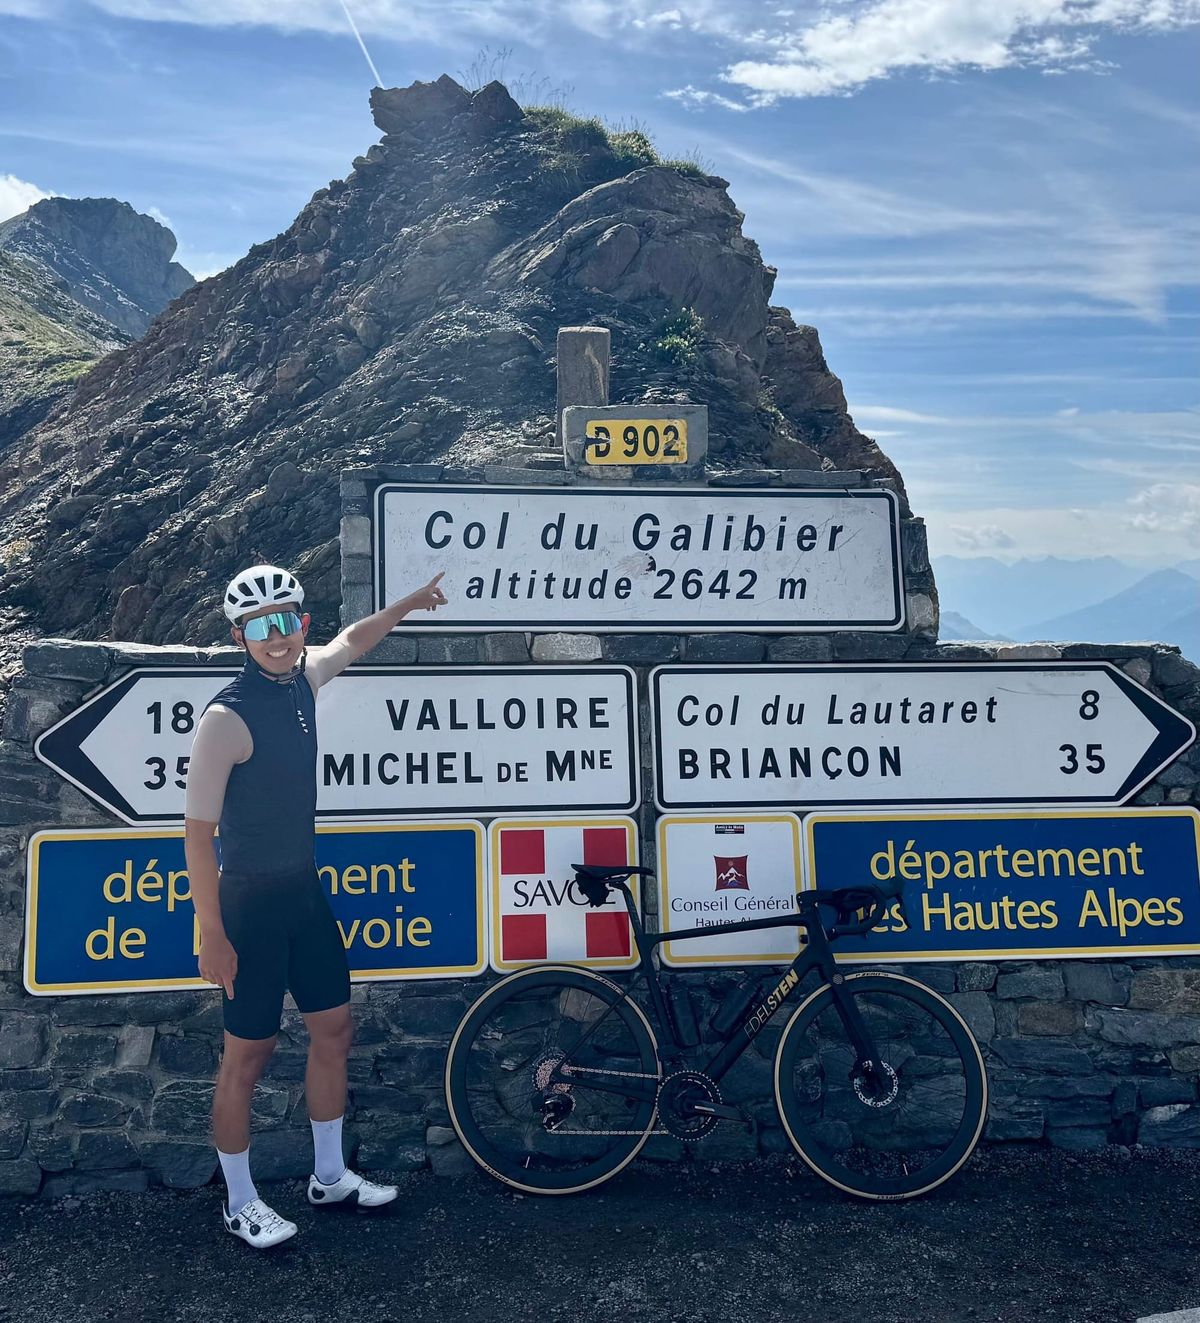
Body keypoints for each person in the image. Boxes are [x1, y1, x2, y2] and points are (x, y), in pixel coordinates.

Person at [184, 562, 448, 1248]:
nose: (279, 638)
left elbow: (354, 640)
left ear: (302, 622)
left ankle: (329, 1175)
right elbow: (196, 833)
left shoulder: (301, 680)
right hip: (249, 905)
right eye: (261, 627)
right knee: (249, 1053)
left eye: (289, 622)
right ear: (240, 635)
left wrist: (410, 603)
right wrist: (209, 930)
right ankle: (240, 1202)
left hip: (305, 894)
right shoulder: (225, 719)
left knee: (335, 1031)